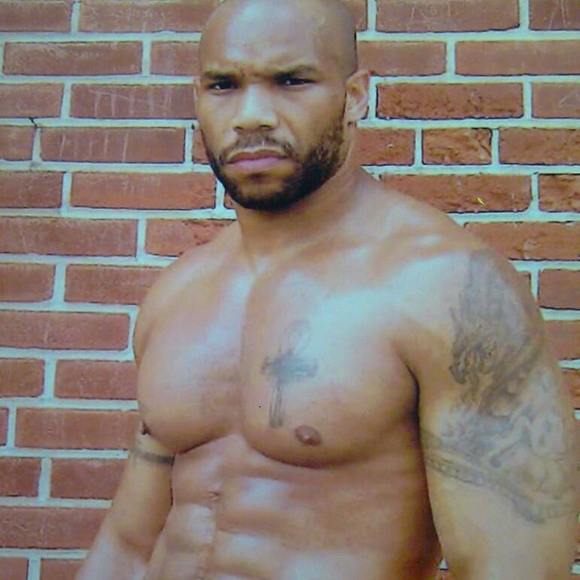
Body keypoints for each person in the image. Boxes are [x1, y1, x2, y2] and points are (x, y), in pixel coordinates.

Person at [77, 0, 576, 578]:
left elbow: (515, 568)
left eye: (291, 81)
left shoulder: (447, 287)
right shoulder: (178, 292)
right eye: (224, 85)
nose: (251, 115)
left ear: (356, 97)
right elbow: (128, 546)